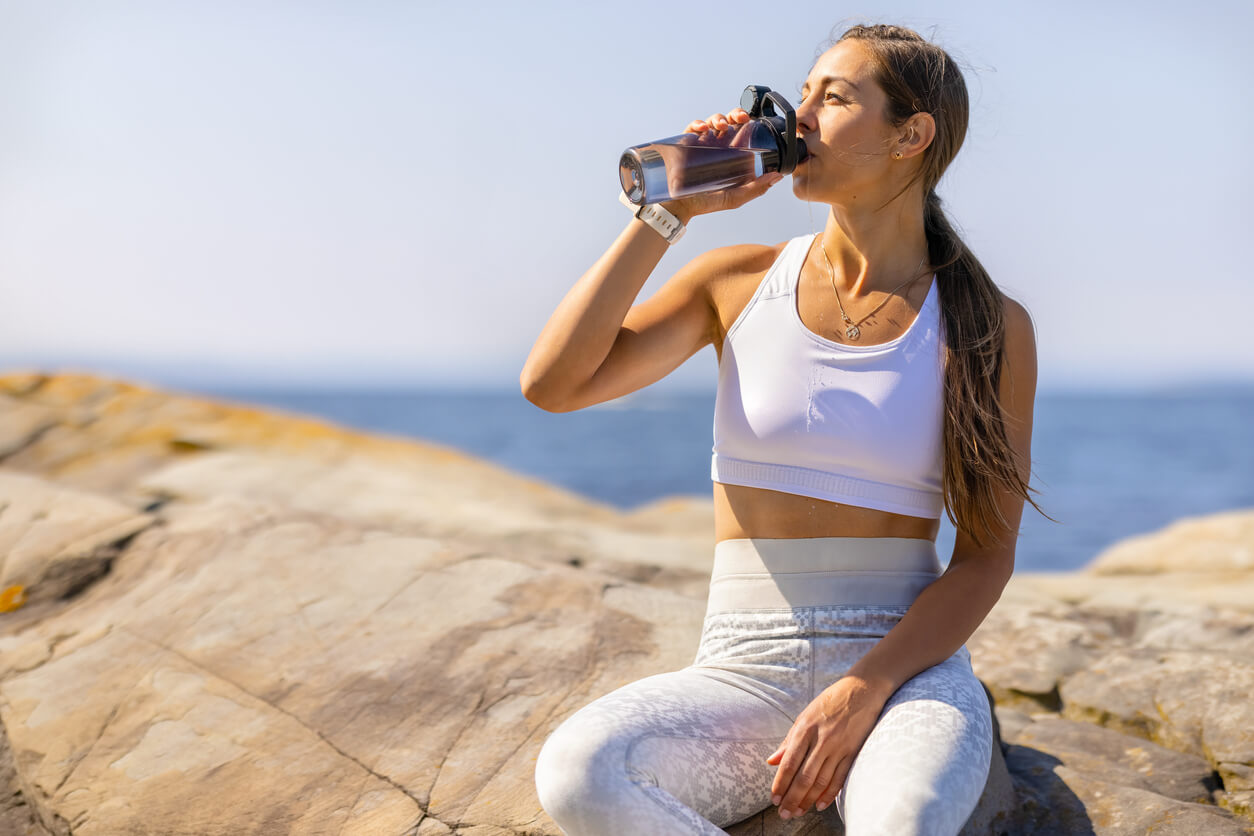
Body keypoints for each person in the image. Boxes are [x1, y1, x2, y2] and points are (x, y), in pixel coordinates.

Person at [520, 22, 1037, 836]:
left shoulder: (985, 323)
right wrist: (667, 215)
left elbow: (985, 558)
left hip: (904, 671)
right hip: (741, 667)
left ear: (912, 136)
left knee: (903, 823)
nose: (798, 118)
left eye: (833, 98)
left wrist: (863, 691)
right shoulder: (736, 282)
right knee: (582, 773)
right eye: (801, 94)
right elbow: (554, 384)